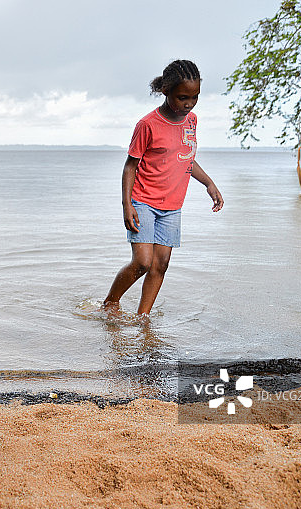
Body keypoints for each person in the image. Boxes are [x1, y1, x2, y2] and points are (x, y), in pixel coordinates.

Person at [103, 59, 223, 316]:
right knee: (143, 262)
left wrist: (209, 184)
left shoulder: (191, 121)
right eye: (182, 97)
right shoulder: (147, 125)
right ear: (166, 91)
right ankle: (111, 301)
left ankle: (143, 318)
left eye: (194, 97)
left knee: (162, 264)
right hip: (143, 201)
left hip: (172, 206)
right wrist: (127, 206)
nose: (188, 103)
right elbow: (129, 167)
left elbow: (186, 157)